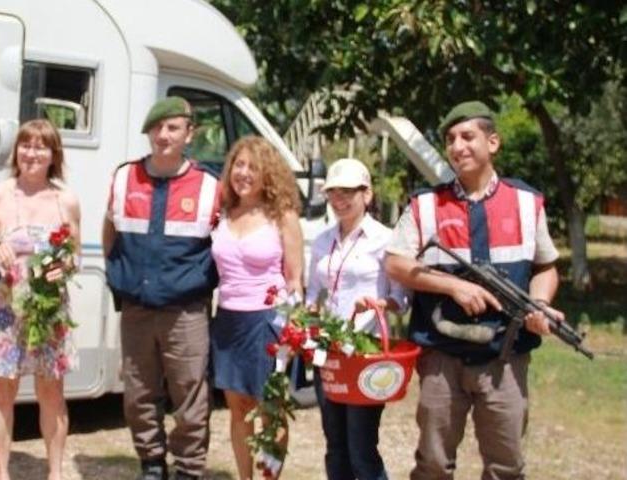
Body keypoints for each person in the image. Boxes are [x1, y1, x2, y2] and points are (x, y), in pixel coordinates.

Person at [384, 101, 564, 480]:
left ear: (492, 142)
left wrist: (541, 304)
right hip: (441, 356)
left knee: (506, 467)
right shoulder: (425, 204)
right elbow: (396, 263)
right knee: (432, 466)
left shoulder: (526, 203)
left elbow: (546, 267)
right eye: (450, 139)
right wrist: (453, 286)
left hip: (505, 357)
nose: (457, 146)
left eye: (468, 136)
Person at [103, 96, 221, 480]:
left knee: (190, 396)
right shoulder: (125, 177)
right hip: (137, 308)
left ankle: (188, 469)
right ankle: (152, 463)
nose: (163, 135)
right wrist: (116, 274)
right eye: (156, 128)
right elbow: (110, 231)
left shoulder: (209, 185)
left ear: (190, 134)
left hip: (186, 311)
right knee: (138, 393)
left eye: (172, 128)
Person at [0, 119, 80, 480]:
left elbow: (75, 256)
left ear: (54, 154)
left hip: (49, 309)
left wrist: (64, 267)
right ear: (16, 151)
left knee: (52, 392)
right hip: (4, 308)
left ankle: (55, 473)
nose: (32, 153)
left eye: (41, 146)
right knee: (3, 391)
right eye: (25, 145)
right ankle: (1, 473)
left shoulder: (66, 200)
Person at [305, 158, 408, 480]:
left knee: (362, 448)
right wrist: (307, 319)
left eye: (348, 191)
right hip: (328, 351)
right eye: (333, 192)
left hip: (366, 353)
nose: (339, 199)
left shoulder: (386, 239)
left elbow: (402, 300)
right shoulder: (322, 241)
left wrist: (379, 303)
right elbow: (313, 293)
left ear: (367, 194)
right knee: (335, 446)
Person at [210, 136, 304, 480]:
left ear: (268, 174)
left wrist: (292, 331)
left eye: (253, 167)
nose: (244, 173)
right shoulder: (223, 214)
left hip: (268, 322)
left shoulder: (282, 216)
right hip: (228, 321)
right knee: (238, 409)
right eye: (239, 165)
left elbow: (295, 280)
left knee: (270, 411)